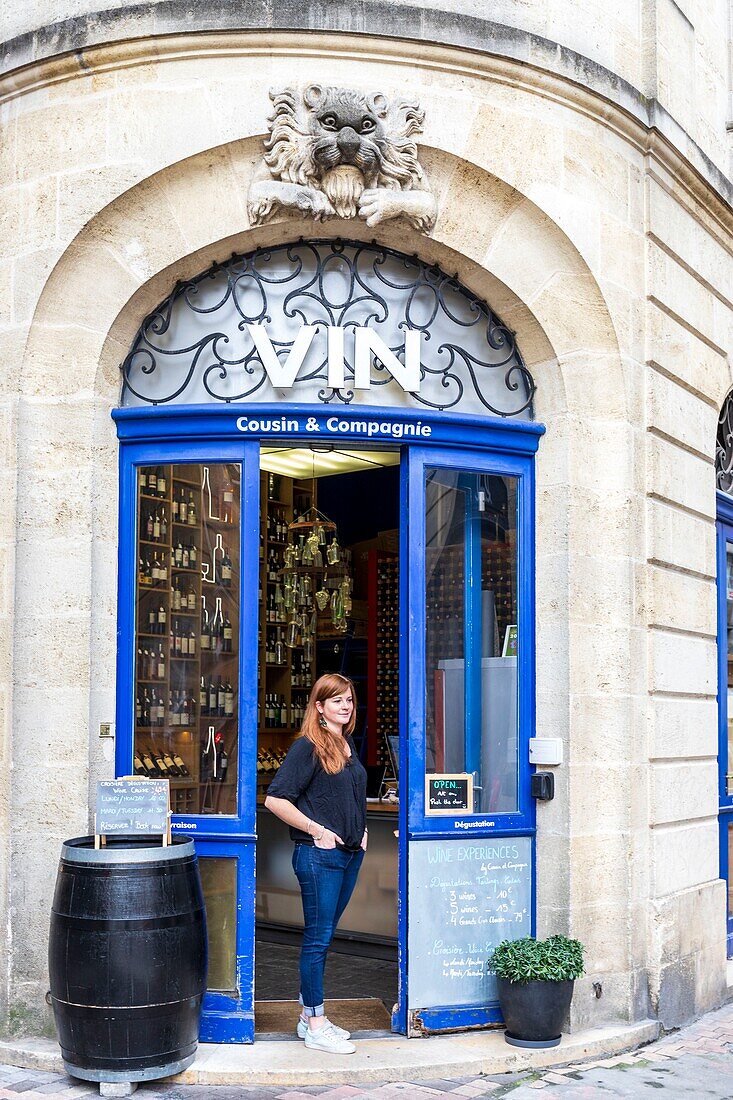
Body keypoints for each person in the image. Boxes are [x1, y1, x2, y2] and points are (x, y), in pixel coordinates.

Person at [264, 672, 367, 1055]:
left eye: (350, 699)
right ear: (319, 706)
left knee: (324, 937)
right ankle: (316, 1022)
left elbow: (346, 795)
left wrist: (363, 829)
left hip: (349, 854)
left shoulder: (345, 743)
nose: (345, 705)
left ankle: (309, 1017)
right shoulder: (308, 746)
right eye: (336, 699)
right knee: (318, 940)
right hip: (319, 856)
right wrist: (316, 830)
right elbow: (276, 799)